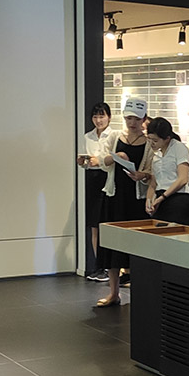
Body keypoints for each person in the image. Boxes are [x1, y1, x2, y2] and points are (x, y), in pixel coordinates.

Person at [95, 96, 150, 308]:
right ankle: (113, 292)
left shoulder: (149, 143)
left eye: (136, 118)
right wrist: (116, 156)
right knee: (112, 245)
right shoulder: (115, 136)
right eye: (128, 118)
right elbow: (102, 161)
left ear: (144, 119)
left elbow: (151, 171)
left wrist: (142, 175)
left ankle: (140, 292)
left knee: (136, 246)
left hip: (136, 199)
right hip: (115, 196)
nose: (132, 123)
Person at [78, 102, 115, 282]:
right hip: (92, 179)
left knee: (106, 223)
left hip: (108, 179)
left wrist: (98, 161)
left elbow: (114, 159)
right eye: (95, 116)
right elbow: (86, 161)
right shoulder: (88, 136)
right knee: (94, 225)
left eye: (102, 116)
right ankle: (98, 265)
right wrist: (83, 162)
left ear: (109, 117)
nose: (98, 120)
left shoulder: (114, 135)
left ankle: (110, 268)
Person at [145, 117, 189, 225]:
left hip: (177, 197)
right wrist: (149, 201)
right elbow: (153, 183)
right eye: (149, 139)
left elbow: (183, 179)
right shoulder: (157, 154)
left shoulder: (178, 148)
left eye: (155, 140)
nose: (151, 143)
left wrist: (162, 197)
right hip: (160, 198)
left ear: (167, 138)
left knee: (173, 232)